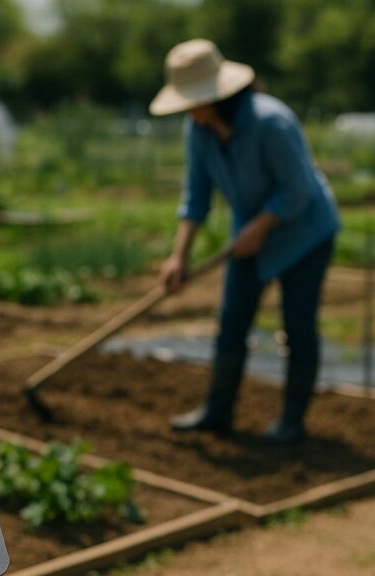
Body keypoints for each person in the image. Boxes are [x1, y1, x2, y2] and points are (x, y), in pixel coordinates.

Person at [150, 39, 340, 444]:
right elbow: (196, 196)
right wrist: (177, 256)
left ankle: (291, 423)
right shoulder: (198, 130)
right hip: (248, 237)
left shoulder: (272, 123)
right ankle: (216, 413)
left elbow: (298, 190)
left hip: (305, 234)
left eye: (192, 101)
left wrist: (261, 226)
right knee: (232, 323)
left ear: (217, 96)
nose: (188, 110)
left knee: (298, 326)